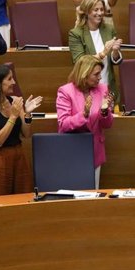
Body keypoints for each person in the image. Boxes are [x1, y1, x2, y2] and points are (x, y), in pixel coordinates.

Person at [0, 64, 42, 195]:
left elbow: (26, 133)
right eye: (9, 79)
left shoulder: (15, 101)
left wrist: (28, 114)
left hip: (18, 155)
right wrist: (13, 116)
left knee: (23, 198)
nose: (13, 82)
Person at [56, 54, 114, 189]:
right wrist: (84, 114)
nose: (100, 77)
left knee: (93, 192)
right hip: (73, 149)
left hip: (95, 149)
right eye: (96, 74)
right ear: (84, 74)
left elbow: (107, 124)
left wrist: (105, 112)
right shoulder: (65, 91)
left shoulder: (103, 89)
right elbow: (64, 124)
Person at [68, 0, 123, 100]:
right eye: (96, 10)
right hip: (86, 88)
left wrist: (115, 51)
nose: (100, 13)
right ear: (87, 12)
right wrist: (103, 53)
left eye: (102, 9)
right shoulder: (76, 34)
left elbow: (115, 61)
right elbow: (80, 62)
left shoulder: (109, 29)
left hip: (108, 86)